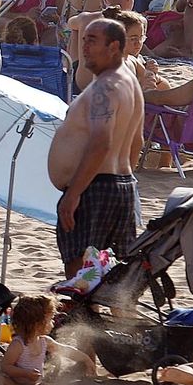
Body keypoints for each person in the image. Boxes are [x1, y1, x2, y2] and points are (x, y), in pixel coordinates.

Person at [47, 18, 143, 278]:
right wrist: (122, 180)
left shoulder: (105, 88)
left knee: (80, 272)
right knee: (118, 276)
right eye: (83, 39)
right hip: (120, 184)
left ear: (113, 47)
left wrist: (74, 193)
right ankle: (121, 319)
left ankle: (86, 318)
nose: (84, 46)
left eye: (92, 41)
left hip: (94, 187)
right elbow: (138, 142)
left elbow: (101, 142)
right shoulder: (130, 83)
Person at [0, 294, 94, 385]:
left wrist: (85, 358)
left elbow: (65, 350)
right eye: (50, 319)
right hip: (13, 383)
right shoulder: (18, 344)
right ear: (37, 323)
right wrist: (25, 373)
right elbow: (5, 366)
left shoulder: (44, 341)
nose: (53, 323)